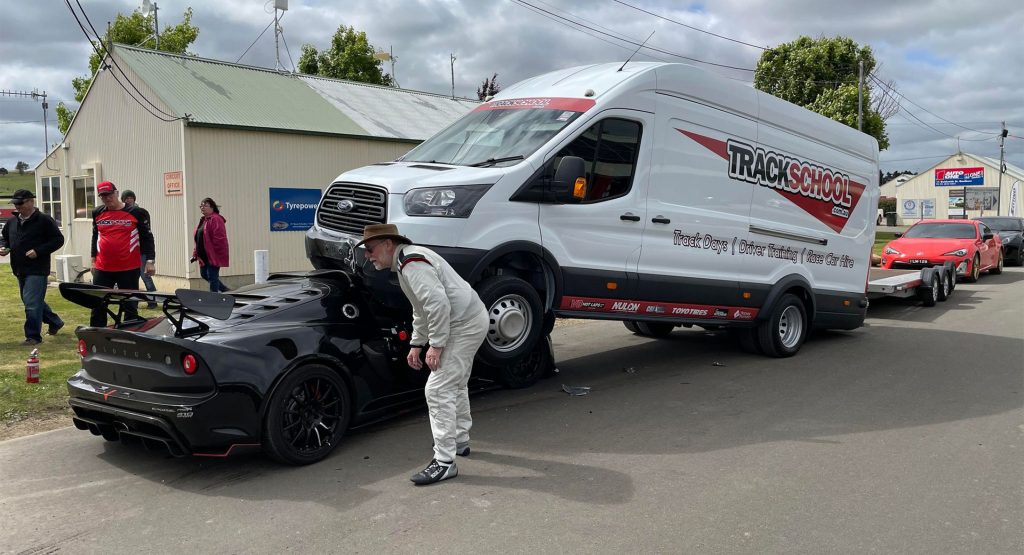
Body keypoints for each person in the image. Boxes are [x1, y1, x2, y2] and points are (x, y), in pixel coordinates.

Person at [358, 223, 489, 486]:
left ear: (387, 244)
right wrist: (417, 344)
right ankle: (459, 440)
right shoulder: (407, 262)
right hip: (467, 319)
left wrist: (436, 345)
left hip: (463, 324)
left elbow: (437, 304)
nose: (368, 255)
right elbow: (421, 308)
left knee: (438, 389)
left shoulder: (412, 263)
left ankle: (444, 462)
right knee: (455, 382)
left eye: (370, 249)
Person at [0, 189, 65, 345]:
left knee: (31, 303)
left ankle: (33, 336)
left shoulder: (44, 220)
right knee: (32, 301)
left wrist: (38, 251)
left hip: (37, 268)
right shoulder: (11, 222)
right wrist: (4, 247)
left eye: (20, 203)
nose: (17, 207)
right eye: (15, 204)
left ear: (31, 202)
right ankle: (55, 322)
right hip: (19, 268)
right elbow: (5, 238)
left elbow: (58, 240)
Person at [90, 181, 156, 326]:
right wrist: (93, 259)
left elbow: (147, 237)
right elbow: (95, 236)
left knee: (130, 304)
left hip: (128, 268)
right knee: (98, 304)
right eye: (103, 196)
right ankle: (96, 335)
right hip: (103, 268)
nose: (107, 198)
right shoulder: (97, 213)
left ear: (116, 193)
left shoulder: (137, 212)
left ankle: (130, 333)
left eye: (109, 194)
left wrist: (150, 261)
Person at [120, 189, 158, 308]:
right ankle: (133, 301)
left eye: (131, 198)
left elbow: (147, 233)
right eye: (126, 198)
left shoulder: (141, 212)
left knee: (145, 275)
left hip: (141, 250)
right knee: (132, 277)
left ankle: (153, 300)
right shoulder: (122, 213)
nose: (128, 200)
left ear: (134, 199)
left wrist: (150, 257)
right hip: (129, 251)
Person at [191, 198, 230, 292]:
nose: (202, 207)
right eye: (201, 205)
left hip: (212, 255)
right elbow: (199, 239)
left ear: (212, 207)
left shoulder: (216, 219)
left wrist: (216, 255)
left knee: (212, 276)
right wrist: (195, 254)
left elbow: (220, 239)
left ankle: (214, 299)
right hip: (203, 256)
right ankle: (225, 290)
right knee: (204, 274)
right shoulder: (204, 220)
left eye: (205, 205)